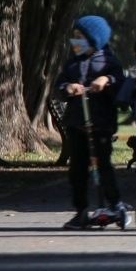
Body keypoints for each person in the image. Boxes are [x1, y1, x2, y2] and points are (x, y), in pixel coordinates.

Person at [55, 15, 128, 230]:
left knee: (103, 165)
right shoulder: (72, 64)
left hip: (100, 123)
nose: (75, 42)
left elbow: (119, 81)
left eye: (80, 37)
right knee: (77, 170)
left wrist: (106, 80)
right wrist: (67, 88)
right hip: (77, 123)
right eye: (74, 37)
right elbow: (60, 86)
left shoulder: (108, 61)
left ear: (94, 39)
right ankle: (82, 210)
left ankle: (114, 204)